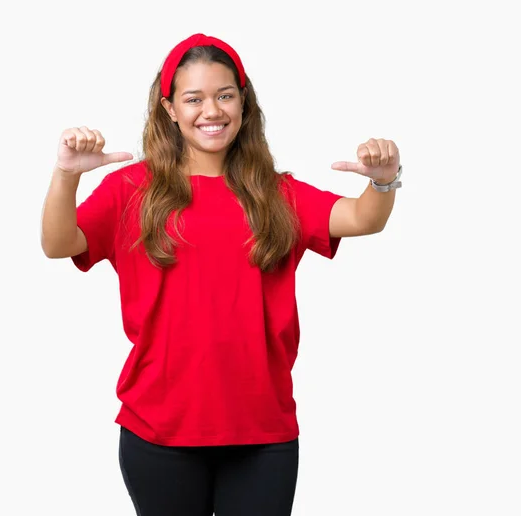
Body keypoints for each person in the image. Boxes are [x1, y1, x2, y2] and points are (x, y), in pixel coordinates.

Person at [40, 33, 402, 516]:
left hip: (262, 433)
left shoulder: (277, 193)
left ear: (243, 101)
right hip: (160, 430)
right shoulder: (129, 189)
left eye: (224, 95)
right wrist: (67, 175)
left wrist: (384, 180)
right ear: (169, 109)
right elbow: (58, 244)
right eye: (194, 99)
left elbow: (363, 219)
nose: (211, 110)